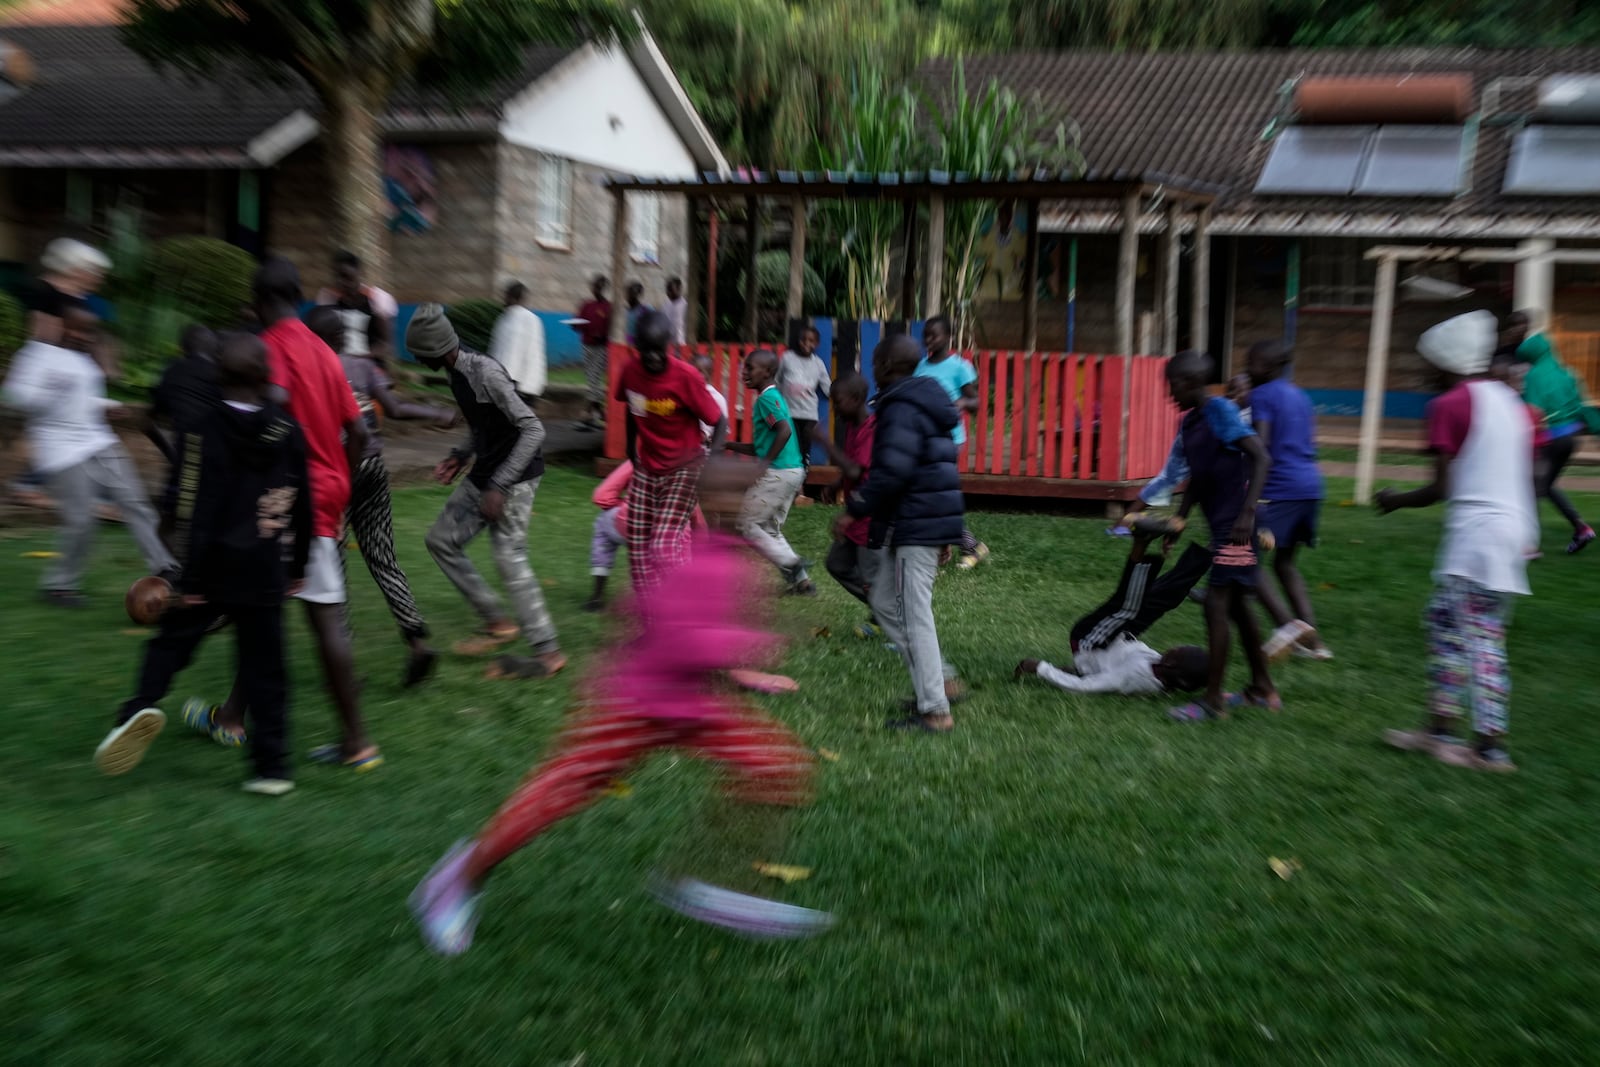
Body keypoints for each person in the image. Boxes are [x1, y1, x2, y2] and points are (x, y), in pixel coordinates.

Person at [409, 457, 833, 955]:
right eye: (735, 495)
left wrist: (742, 662)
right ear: (709, 500)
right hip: (636, 704)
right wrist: (747, 644)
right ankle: (457, 878)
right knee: (554, 795)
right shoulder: (690, 556)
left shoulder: (735, 561)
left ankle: (712, 884)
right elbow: (673, 634)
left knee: (778, 767)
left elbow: (694, 630)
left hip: (692, 704)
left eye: (747, 494)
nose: (743, 503)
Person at [94, 332, 310, 795]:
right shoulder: (289, 431)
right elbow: (304, 503)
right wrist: (298, 566)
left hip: (211, 569)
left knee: (170, 645)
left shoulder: (201, 430)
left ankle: (138, 709)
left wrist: (188, 577)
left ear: (216, 376)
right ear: (267, 377)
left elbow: (193, 505)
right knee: (266, 669)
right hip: (265, 568)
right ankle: (272, 770)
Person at [200, 257, 379, 770]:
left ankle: (356, 741)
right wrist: (338, 489)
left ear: (257, 303)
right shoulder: (324, 351)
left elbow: (270, 408)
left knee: (319, 620)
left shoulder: (272, 348)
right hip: (324, 494)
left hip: (289, 499)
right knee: (265, 606)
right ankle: (232, 716)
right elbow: (361, 434)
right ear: (300, 297)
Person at [1377, 311, 1538, 772]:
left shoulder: (1450, 404)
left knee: (1481, 638)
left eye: (1428, 363)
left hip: (1479, 538)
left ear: (1444, 363)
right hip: (1509, 530)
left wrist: (1394, 500)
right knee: (1444, 622)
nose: (1425, 372)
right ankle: (1440, 728)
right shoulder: (1508, 400)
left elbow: (1440, 488)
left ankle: (1490, 747)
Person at [409, 304, 566, 681]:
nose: (415, 359)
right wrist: (460, 455)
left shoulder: (485, 372)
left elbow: (532, 429)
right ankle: (496, 620)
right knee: (441, 540)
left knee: (509, 556)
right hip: (485, 472)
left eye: (418, 353)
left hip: (515, 475)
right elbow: (485, 424)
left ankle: (548, 651)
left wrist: (499, 485)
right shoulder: (455, 371)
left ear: (436, 349)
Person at [305, 306, 455, 687]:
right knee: (383, 557)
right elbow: (395, 407)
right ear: (344, 336)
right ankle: (417, 642)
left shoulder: (309, 369)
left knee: (332, 569)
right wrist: (437, 413)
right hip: (373, 467)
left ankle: (345, 668)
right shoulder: (361, 366)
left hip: (337, 472)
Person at [4, 306, 177, 606]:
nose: (83, 337)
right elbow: (16, 396)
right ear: (64, 327)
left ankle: (166, 567)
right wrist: (52, 391)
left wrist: (107, 404)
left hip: (98, 441)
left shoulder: (85, 362)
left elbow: (82, 401)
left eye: (88, 331)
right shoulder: (36, 356)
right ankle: (59, 586)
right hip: (60, 450)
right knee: (81, 519)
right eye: (78, 329)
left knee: (134, 500)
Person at [837, 335, 966, 732]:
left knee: (914, 615)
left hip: (916, 522)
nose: (872, 367)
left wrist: (855, 509)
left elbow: (892, 473)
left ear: (889, 364)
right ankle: (936, 684)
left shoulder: (901, 407)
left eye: (876, 359)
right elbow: (937, 470)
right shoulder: (923, 402)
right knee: (885, 601)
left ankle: (935, 711)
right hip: (921, 519)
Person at [1164, 350, 1278, 723]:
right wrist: (1179, 520)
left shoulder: (1221, 412)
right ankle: (1263, 688)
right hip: (1224, 525)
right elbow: (1200, 474)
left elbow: (1260, 457)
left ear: (1191, 383)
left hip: (1237, 526)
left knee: (1216, 605)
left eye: (1173, 386)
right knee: (1239, 609)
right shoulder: (1192, 421)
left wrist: (1247, 513)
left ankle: (1213, 701)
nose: (1169, 394)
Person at [1015, 518, 1211, 696]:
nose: (1173, 646)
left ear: (1171, 663)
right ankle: (1212, 548)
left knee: (1127, 606)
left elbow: (1085, 686)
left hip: (1090, 641)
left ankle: (1140, 542)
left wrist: (1040, 668)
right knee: (1164, 599)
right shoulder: (1163, 672)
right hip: (1120, 636)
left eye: (1178, 650)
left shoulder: (1131, 676)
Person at [616, 310, 728, 594]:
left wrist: (712, 463)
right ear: (636, 346)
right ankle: (654, 628)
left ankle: (688, 602)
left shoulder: (686, 376)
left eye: (658, 351)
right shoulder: (630, 372)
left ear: (668, 344)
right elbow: (632, 406)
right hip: (648, 466)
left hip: (685, 468)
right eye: (645, 351)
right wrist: (631, 447)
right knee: (639, 551)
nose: (652, 357)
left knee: (663, 546)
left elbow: (719, 420)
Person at [1246, 341, 1331, 661]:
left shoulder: (1262, 395)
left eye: (1252, 361)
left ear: (1269, 367)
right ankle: (1314, 642)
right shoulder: (1299, 395)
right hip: (1310, 486)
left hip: (1280, 488)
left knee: (1247, 561)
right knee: (1285, 564)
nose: (1246, 367)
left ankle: (1288, 630)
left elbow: (1260, 445)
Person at [1504, 309, 1600, 554]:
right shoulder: (1567, 372)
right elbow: (1582, 406)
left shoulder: (1535, 376)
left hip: (1552, 439)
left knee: (1533, 486)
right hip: (1572, 439)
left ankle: (1529, 545)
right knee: (1544, 484)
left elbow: (1532, 409)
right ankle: (1581, 528)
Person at [726, 350, 812, 594]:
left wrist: (761, 468)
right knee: (770, 530)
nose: (744, 372)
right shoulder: (774, 397)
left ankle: (792, 564)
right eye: (744, 367)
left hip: (778, 472)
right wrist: (729, 445)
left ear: (768, 372)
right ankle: (802, 582)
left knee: (747, 524)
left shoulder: (765, 400)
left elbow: (783, 432)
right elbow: (763, 446)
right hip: (791, 471)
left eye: (750, 367)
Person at [915, 315, 989, 569]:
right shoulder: (920, 366)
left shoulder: (959, 367)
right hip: (924, 440)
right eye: (926, 335)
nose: (928, 340)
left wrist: (960, 403)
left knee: (936, 498)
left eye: (934, 335)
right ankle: (952, 546)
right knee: (931, 497)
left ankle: (967, 546)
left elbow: (976, 402)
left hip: (949, 442)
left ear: (948, 337)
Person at [810, 374, 878, 634]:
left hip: (870, 517)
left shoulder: (871, 429)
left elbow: (855, 471)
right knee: (836, 564)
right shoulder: (851, 426)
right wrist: (836, 484)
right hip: (854, 515)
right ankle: (884, 610)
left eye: (838, 403)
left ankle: (891, 617)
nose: (835, 409)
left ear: (858, 399)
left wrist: (825, 443)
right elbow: (851, 467)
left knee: (872, 578)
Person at [314, 250, 398, 364]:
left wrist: (359, 359)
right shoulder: (329, 299)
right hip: (337, 364)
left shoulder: (377, 299)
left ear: (360, 273)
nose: (341, 282)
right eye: (337, 277)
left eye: (346, 277)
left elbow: (385, 345)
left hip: (370, 367)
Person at [779, 325, 830, 496]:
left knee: (804, 450)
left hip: (808, 415)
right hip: (789, 413)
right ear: (798, 341)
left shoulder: (818, 364)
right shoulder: (787, 358)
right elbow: (777, 381)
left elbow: (827, 387)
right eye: (803, 340)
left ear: (817, 343)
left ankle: (800, 487)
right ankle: (790, 486)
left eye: (811, 341)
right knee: (790, 448)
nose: (806, 343)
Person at [490, 281, 546, 401]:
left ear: (510, 297)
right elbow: (535, 352)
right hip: (520, 379)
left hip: (505, 377)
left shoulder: (503, 319)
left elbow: (496, 349)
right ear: (522, 298)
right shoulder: (530, 319)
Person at [576, 275, 612, 428]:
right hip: (587, 345)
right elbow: (578, 322)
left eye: (598, 287)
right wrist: (576, 325)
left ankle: (589, 411)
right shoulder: (586, 305)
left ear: (603, 288)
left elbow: (611, 328)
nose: (595, 289)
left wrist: (603, 336)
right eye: (594, 286)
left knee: (594, 377)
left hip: (601, 347)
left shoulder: (608, 307)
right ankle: (600, 412)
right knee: (591, 378)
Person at [692, 351, 728, 442]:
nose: (693, 375)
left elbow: (723, 429)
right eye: (691, 370)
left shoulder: (717, 398)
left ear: (709, 373)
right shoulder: (685, 393)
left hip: (706, 451)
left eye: (699, 371)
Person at [663, 276, 689, 344]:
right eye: (667, 290)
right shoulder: (665, 306)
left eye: (671, 290)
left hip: (681, 344)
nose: (668, 293)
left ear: (679, 289)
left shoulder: (685, 306)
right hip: (668, 344)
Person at [624, 281, 651, 345]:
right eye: (627, 294)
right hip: (626, 346)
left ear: (639, 295)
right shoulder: (625, 311)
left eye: (631, 294)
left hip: (641, 346)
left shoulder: (646, 309)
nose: (628, 297)